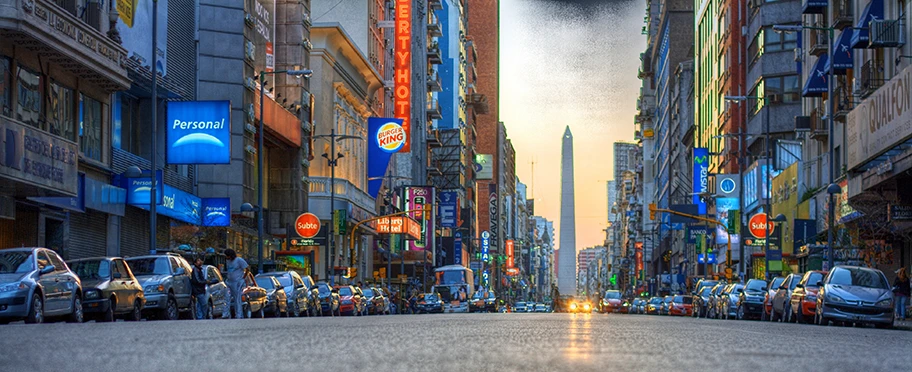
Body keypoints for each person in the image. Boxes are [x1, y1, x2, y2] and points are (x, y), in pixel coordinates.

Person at [224, 249, 249, 319]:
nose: (226, 257)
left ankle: (238, 314)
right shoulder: (228, 261)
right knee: (227, 297)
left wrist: (243, 277)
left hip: (237, 282)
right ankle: (225, 313)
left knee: (237, 299)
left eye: (227, 256)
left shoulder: (239, 260)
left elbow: (247, 268)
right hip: (229, 281)